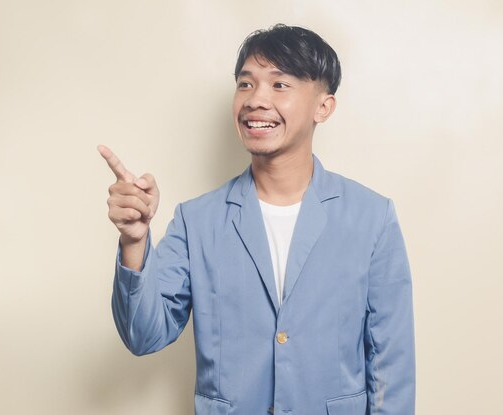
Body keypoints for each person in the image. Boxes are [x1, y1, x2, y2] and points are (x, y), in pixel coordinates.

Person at [98, 24, 415, 415]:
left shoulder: (371, 218)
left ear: (323, 107)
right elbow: (143, 335)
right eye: (245, 84)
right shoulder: (197, 221)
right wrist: (134, 240)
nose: (256, 100)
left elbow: (391, 366)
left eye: (279, 85)